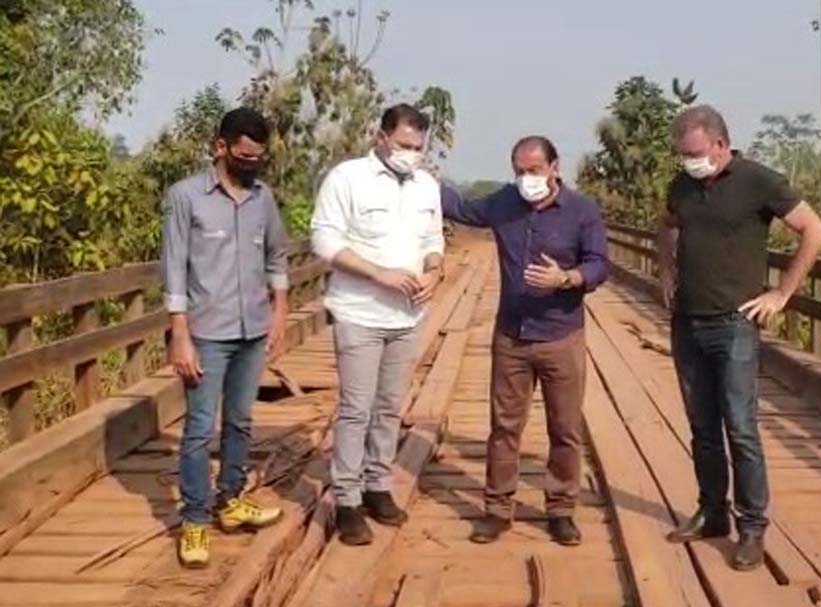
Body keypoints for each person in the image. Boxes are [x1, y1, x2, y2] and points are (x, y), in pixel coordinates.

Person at [656, 105, 821, 570]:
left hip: (733, 323)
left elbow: (814, 229)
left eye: (696, 153)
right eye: (683, 154)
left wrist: (782, 292)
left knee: (740, 427)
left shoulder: (759, 181)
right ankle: (712, 512)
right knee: (702, 426)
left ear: (720, 144)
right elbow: (665, 225)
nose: (690, 162)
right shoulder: (682, 186)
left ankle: (752, 526)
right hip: (687, 322)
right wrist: (667, 271)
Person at [439, 136, 608, 546]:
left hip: (561, 335)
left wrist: (566, 278)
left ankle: (561, 510)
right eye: (519, 171)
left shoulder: (582, 211)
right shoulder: (504, 203)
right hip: (511, 335)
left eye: (534, 170)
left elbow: (599, 264)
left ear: (554, 167)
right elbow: (461, 208)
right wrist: (424, 180)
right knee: (504, 427)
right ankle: (497, 509)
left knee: (565, 427)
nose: (526, 178)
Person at [311, 104, 445, 546]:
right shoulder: (347, 178)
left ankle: (377, 485)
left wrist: (434, 270)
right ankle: (347, 500)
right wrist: (377, 274)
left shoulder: (426, 186)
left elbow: (433, 239)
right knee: (356, 408)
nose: (411, 153)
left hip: (407, 316)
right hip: (359, 312)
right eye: (404, 144)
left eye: (418, 147)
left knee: (389, 406)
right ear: (381, 137)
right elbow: (324, 240)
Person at [162, 107, 289, 568]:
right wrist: (180, 334)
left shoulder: (263, 198)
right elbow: (174, 267)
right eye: (244, 155)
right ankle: (195, 519)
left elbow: (276, 256)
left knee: (239, 420)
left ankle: (231, 498)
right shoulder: (186, 197)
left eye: (258, 157)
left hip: (252, 330)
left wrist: (280, 311)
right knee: (199, 429)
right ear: (221, 147)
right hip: (205, 333)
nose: (252, 164)